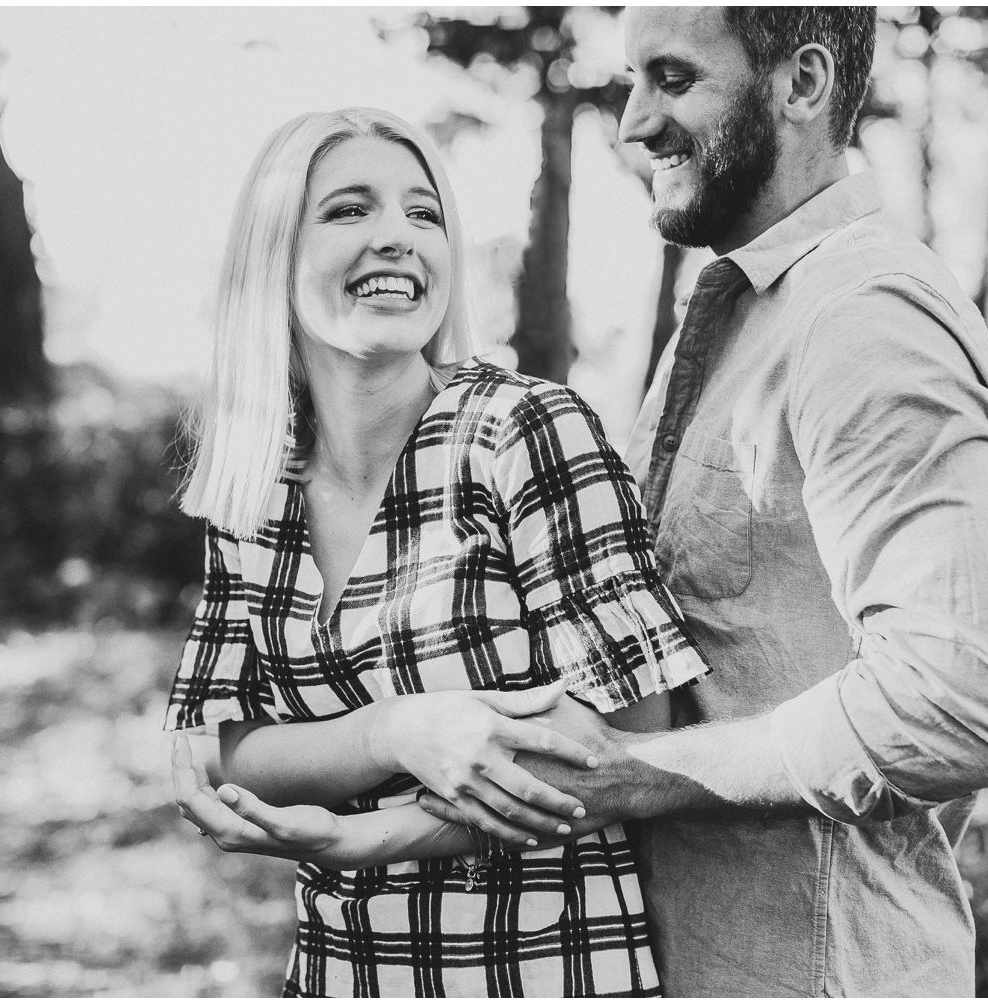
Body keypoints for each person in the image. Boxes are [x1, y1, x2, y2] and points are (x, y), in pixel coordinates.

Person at [417, 7, 988, 996]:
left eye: (673, 78)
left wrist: (643, 771)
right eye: (631, 80)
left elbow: (964, 702)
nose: (632, 122)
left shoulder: (864, 317)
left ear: (801, 84)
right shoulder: (735, 311)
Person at [164, 106, 709, 997]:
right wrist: (395, 732)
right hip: (344, 974)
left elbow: (629, 732)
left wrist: (370, 833)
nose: (397, 239)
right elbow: (217, 748)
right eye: (349, 211)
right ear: (273, 254)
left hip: (550, 969)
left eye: (424, 215)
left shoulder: (521, 431)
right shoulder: (260, 485)